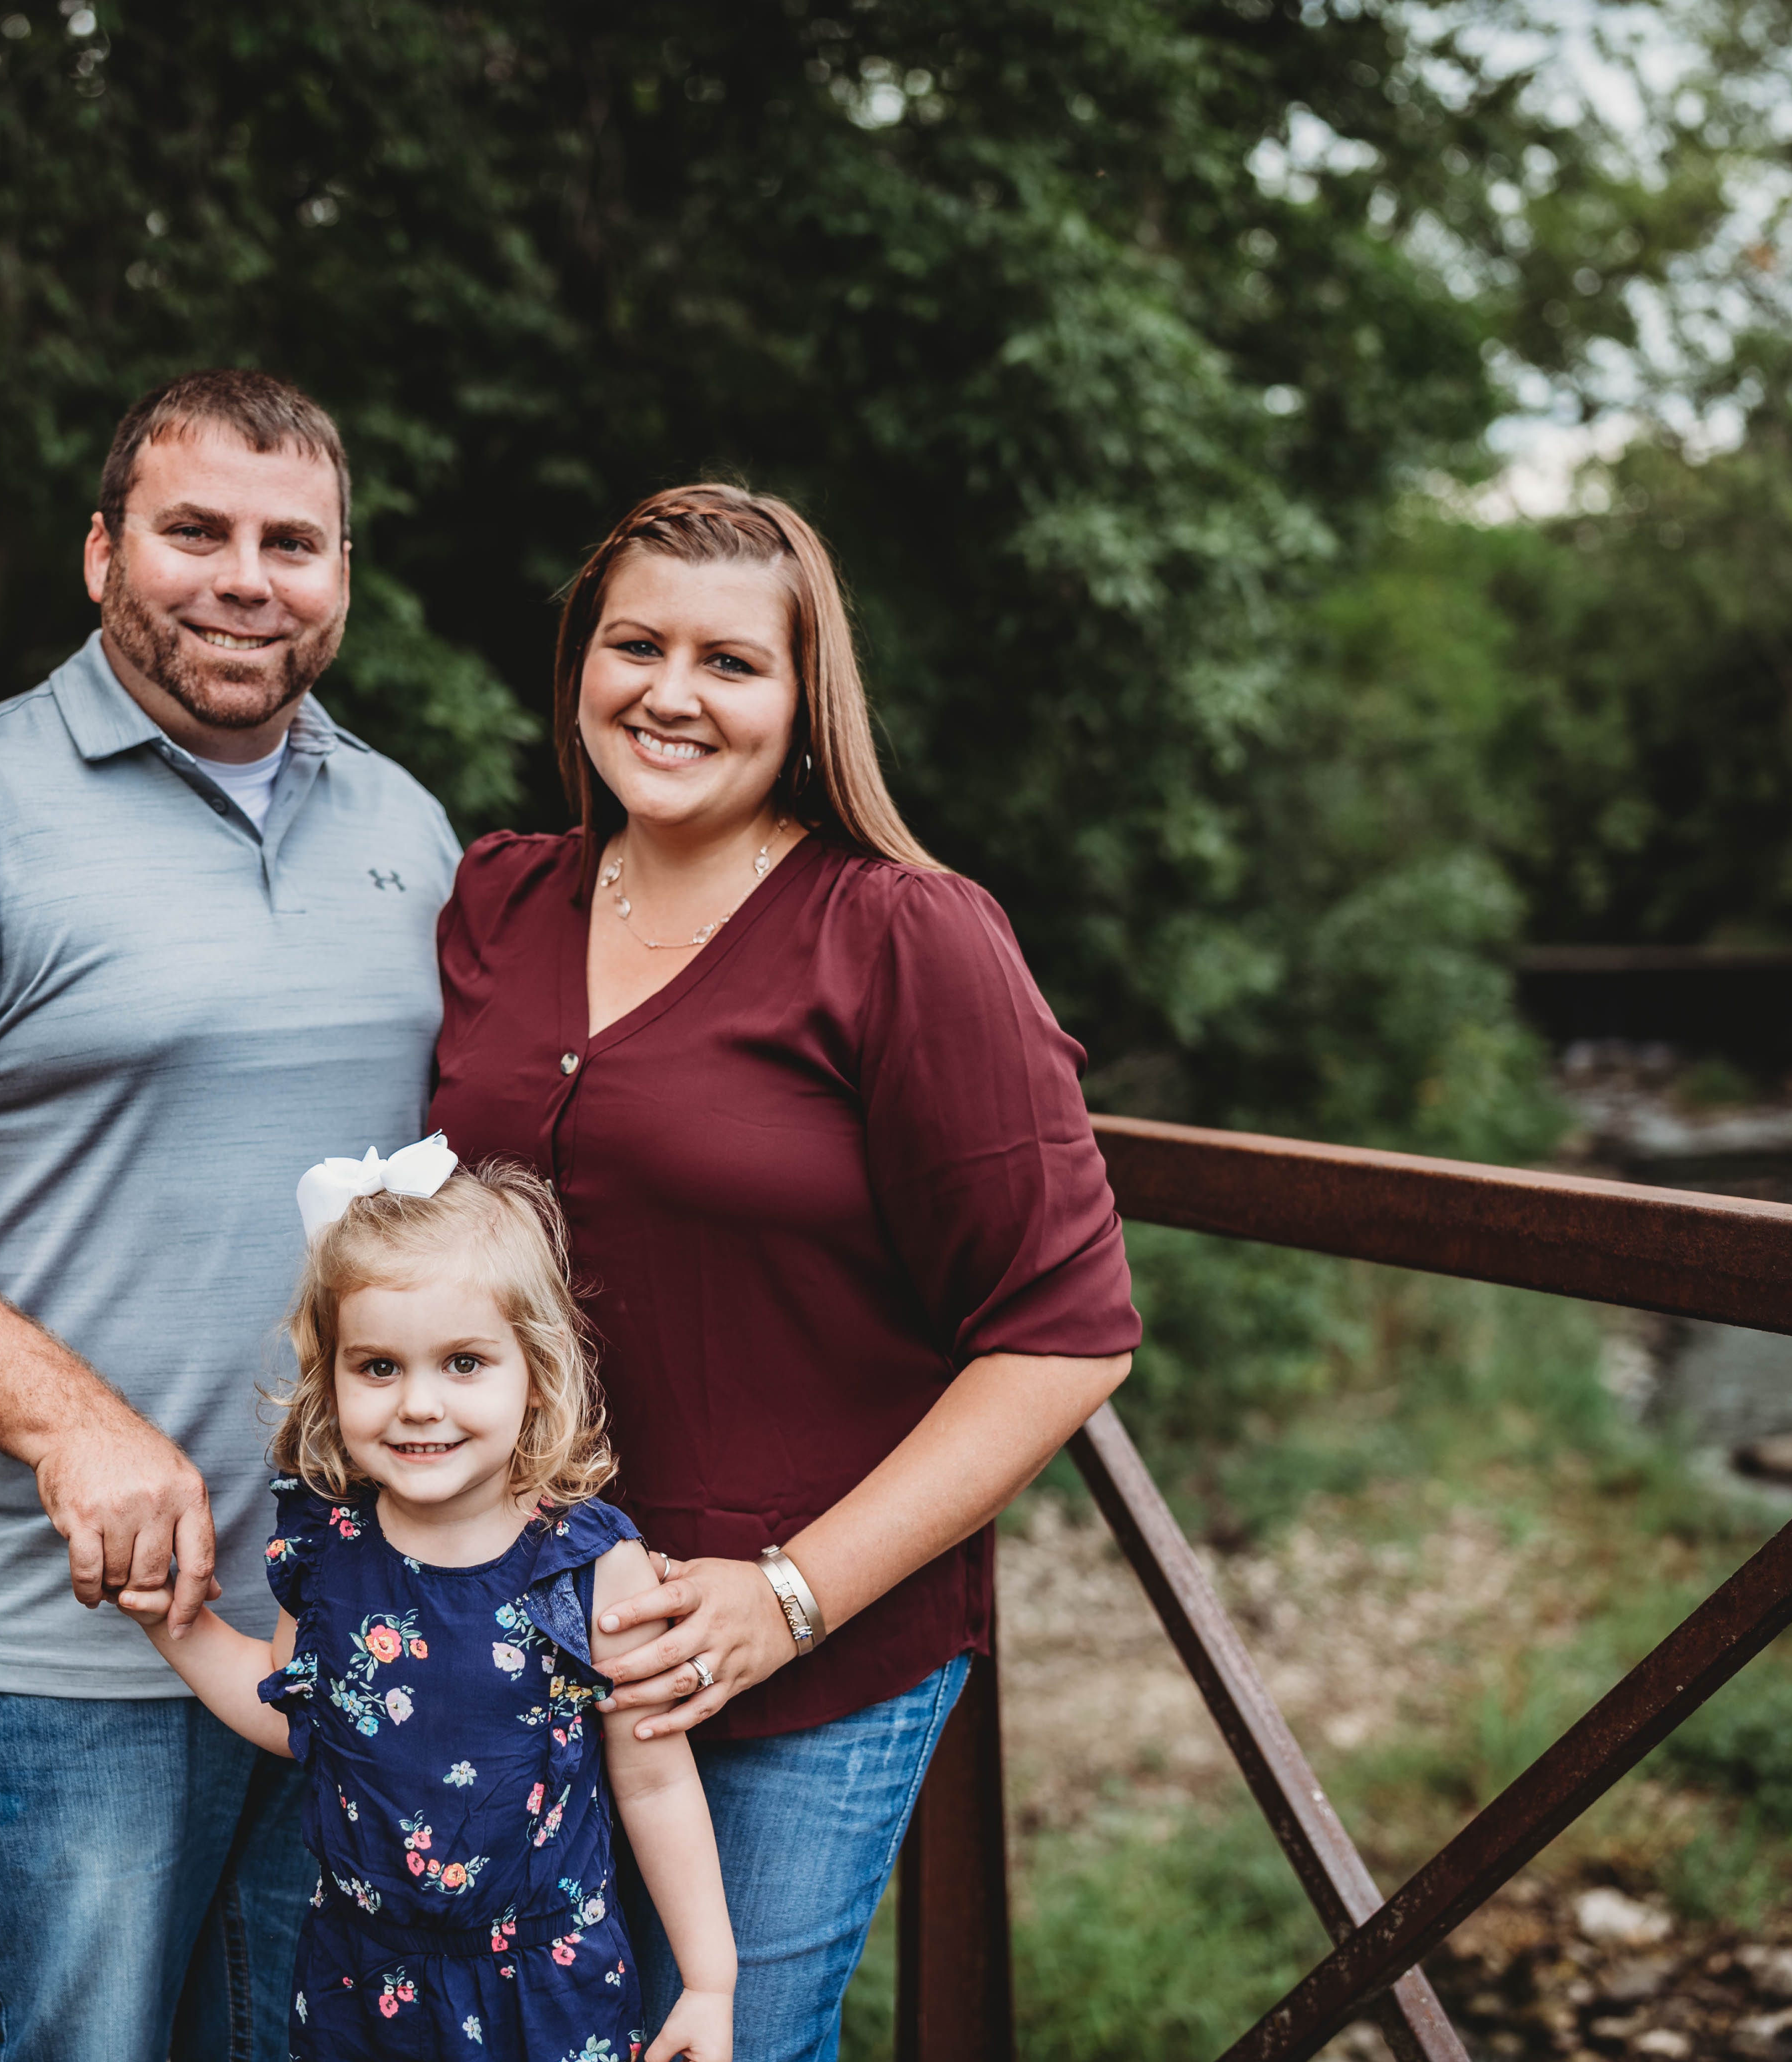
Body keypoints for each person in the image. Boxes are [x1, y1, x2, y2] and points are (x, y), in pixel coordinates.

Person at [0, 369, 464, 2062]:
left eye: (294, 541)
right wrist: (72, 1420)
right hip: (76, 1647)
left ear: (344, 571)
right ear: (100, 550)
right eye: (194, 529)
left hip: (365, 1631)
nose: (245, 578)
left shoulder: (406, 828)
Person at [424, 483, 1141, 2058]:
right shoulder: (497, 899)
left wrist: (791, 1599)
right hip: (516, 1642)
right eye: (636, 646)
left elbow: (1066, 1336)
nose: (671, 694)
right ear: (580, 672)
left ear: (806, 703)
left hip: (791, 1676)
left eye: (731, 663)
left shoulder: (908, 938)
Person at [118, 1143, 736, 2062]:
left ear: (534, 1371)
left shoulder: (590, 1564)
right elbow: (295, 1707)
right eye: (378, 1368)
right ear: (330, 1375)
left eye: (463, 1362)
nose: (418, 1404)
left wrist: (709, 1980)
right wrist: (179, 1625)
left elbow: (655, 1779)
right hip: (361, 1987)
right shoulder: (330, 1551)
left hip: (548, 1989)